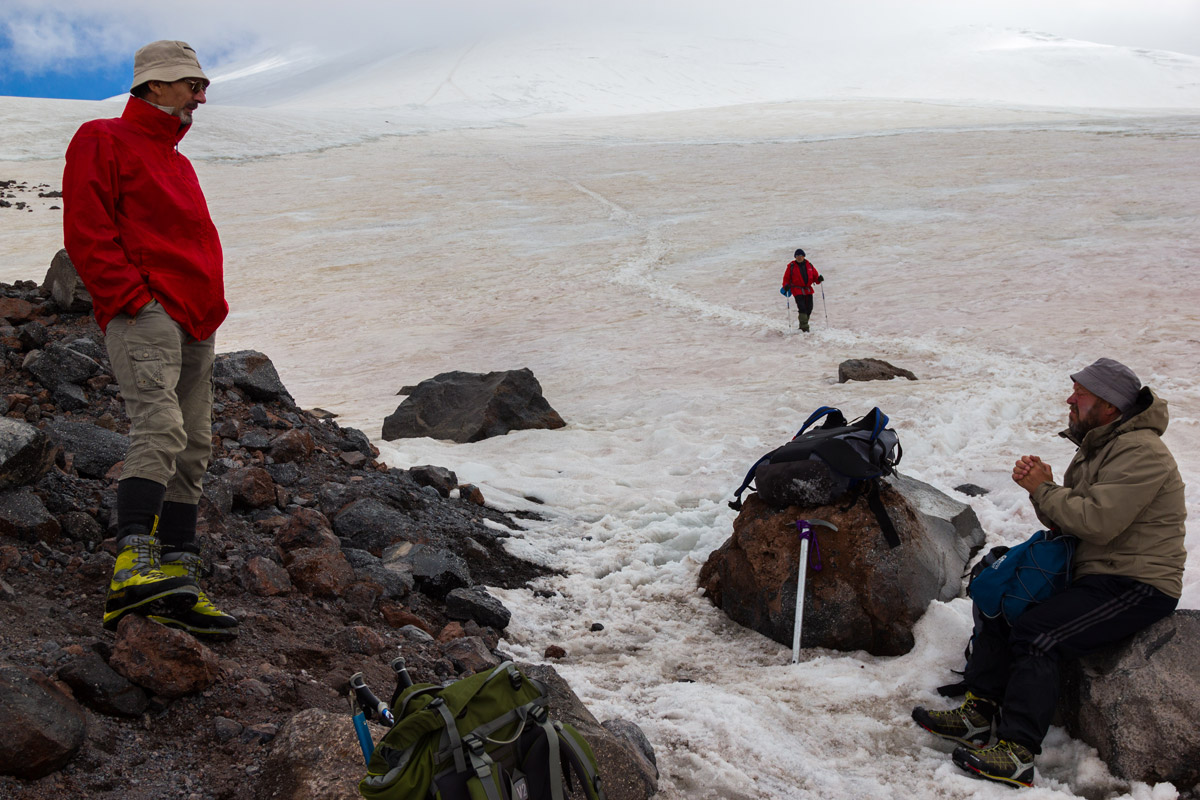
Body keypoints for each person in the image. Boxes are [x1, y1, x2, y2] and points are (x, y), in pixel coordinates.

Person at [912, 358, 1185, 787]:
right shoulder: (1101, 446)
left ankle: (1018, 752)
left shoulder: (1142, 452)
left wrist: (1043, 487)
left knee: (1038, 633)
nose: (1070, 400)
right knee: (1003, 598)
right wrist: (1043, 489)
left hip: (1138, 582)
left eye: (1080, 394)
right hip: (1094, 572)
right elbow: (1067, 522)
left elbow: (1097, 522)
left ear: (1110, 406)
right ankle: (979, 713)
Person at [62, 40, 238, 638]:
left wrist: (209, 308)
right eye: (192, 84)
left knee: (193, 446)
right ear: (154, 85)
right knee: (159, 429)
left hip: (195, 318)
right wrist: (133, 298)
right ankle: (130, 569)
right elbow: (86, 225)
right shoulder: (102, 138)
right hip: (149, 312)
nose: (201, 97)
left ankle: (178, 580)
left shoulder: (176, 161)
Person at [779, 248, 823, 332]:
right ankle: (805, 327)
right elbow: (786, 279)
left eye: (800, 255)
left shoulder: (809, 265)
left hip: (808, 290)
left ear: (804, 256)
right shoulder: (791, 266)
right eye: (797, 256)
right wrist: (786, 286)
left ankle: (803, 325)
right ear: (795, 257)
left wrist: (819, 279)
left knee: (809, 308)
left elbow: (815, 278)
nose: (799, 257)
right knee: (802, 307)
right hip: (797, 290)